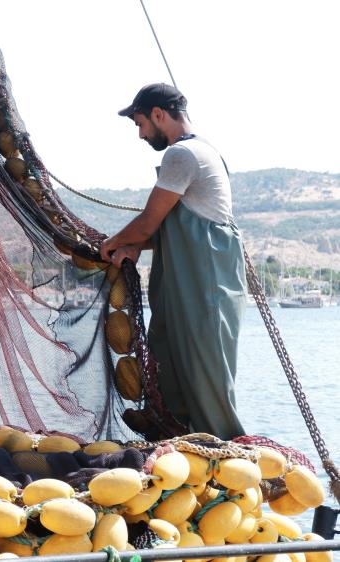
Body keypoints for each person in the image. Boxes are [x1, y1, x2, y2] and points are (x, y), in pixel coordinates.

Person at [100, 83, 246, 439]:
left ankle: (229, 463)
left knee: (206, 380)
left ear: (159, 115)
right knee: (171, 369)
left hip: (206, 287)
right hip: (186, 288)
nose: (140, 134)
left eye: (140, 123)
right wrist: (134, 246)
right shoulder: (196, 153)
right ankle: (180, 452)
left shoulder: (183, 155)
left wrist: (113, 243)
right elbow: (169, 230)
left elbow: (150, 222)